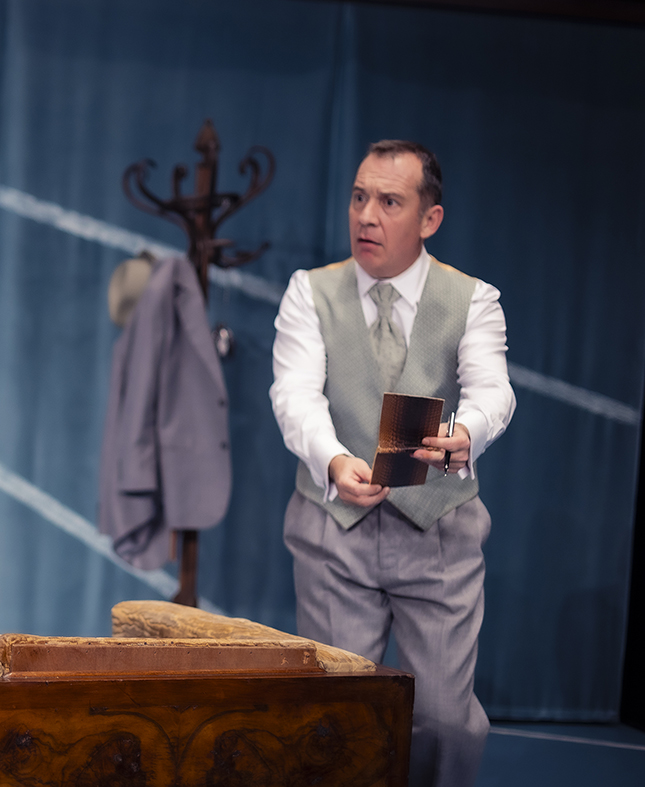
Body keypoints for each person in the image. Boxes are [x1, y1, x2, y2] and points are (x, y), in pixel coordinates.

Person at [269, 140, 515, 787]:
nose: (366, 215)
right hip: (334, 532)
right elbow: (294, 394)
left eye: (388, 201)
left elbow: (493, 391)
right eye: (358, 197)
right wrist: (332, 460)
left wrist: (465, 433)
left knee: (445, 722)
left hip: (438, 533)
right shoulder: (309, 292)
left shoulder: (473, 299)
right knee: (336, 719)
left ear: (429, 219)